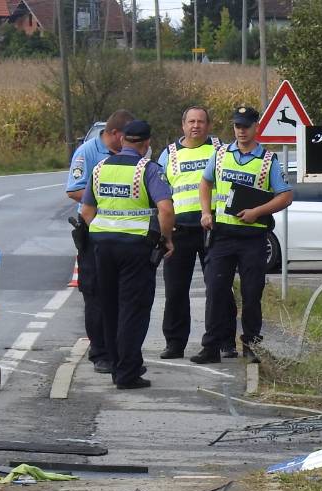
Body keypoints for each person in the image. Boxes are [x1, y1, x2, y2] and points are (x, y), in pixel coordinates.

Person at [80, 119, 175, 390]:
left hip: (102, 247)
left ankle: (114, 365)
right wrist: (167, 239)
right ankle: (128, 373)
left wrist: (105, 230)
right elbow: (165, 210)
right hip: (135, 249)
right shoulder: (148, 169)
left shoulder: (99, 169)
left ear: (123, 140)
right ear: (146, 144)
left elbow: (87, 212)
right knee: (133, 310)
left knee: (110, 308)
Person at [194, 105, 293, 364]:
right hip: (222, 235)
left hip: (253, 237)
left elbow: (285, 196)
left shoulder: (268, 160)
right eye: (237, 126)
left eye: (246, 126)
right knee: (215, 290)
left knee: (251, 293)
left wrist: (257, 211)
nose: (241, 131)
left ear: (255, 127)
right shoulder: (220, 154)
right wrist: (206, 212)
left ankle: (251, 345)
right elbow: (205, 183)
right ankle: (211, 346)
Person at [67, 110, 134, 375]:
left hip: (122, 236)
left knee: (120, 295)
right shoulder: (88, 153)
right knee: (95, 295)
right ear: (116, 134)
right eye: (126, 137)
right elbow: (73, 190)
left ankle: (118, 348)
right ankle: (100, 353)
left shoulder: (131, 154)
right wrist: (107, 193)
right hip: (94, 235)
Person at [155, 106, 220, 360]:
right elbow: (160, 191)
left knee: (217, 287)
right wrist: (164, 230)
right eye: (191, 121)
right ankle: (174, 343)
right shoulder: (168, 154)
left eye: (201, 121)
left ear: (209, 125)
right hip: (178, 230)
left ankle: (221, 341)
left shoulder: (219, 149)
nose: (196, 126)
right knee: (175, 290)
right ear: (183, 125)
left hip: (211, 228)